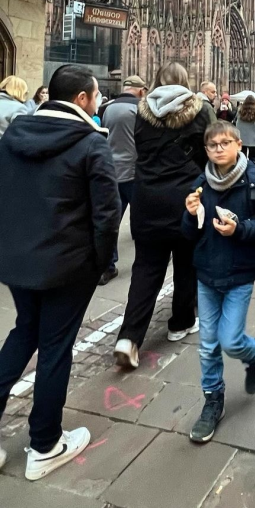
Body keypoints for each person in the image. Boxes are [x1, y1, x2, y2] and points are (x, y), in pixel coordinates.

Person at [0, 64, 120, 480]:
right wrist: (99, 263)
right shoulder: (90, 142)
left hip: (16, 260)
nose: (98, 102)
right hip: (67, 266)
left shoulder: (13, 135)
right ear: (82, 98)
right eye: (97, 95)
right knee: (54, 347)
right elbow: (108, 215)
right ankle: (45, 444)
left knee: (24, 333)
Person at [181, 121, 255, 443]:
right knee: (208, 345)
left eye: (225, 143)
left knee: (231, 340)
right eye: (213, 145)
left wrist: (239, 230)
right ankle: (213, 400)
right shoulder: (201, 183)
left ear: (239, 144)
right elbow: (188, 233)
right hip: (207, 273)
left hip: (239, 273)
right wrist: (189, 214)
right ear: (206, 150)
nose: (219, 149)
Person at [114, 63, 210, 369]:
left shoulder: (141, 113)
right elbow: (209, 154)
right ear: (185, 81)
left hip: (147, 198)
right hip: (186, 199)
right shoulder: (200, 111)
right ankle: (180, 322)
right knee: (186, 263)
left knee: (146, 268)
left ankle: (129, 337)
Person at [99, 75, 148, 285]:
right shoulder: (141, 109)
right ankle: (147, 263)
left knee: (111, 221)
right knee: (144, 221)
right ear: (140, 90)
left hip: (111, 169)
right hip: (135, 171)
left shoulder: (107, 108)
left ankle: (107, 267)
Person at [234, 95, 255, 163]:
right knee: (253, 158)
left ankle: (243, 169)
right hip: (253, 138)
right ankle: (253, 169)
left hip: (241, 137)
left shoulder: (240, 112)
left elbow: (235, 121)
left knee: (241, 157)